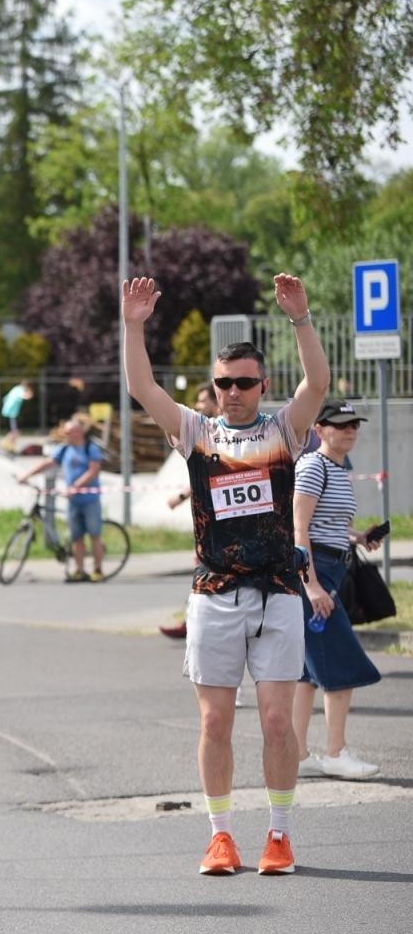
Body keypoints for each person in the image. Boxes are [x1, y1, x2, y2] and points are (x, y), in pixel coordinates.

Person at [123, 274, 328, 876]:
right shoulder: (196, 432)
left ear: (262, 386)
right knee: (215, 721)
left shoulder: (283, 431)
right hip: (214, 593)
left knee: (276, 721)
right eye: (223, 383)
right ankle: (220, 836)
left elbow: (318, 384)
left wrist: (301, 319)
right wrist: (133, 326)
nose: (233, 392)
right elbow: (141, 387)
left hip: (278, 593)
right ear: (212, 388)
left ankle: (279, 834)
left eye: (243, 383)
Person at [293, 399, 382, 780]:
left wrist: (358, 536)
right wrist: (311, 584)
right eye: (340, 425)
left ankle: (297, 755)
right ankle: (335, 753)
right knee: (340, 663)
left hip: (330, 570)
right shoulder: (314, 466)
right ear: (319, 430)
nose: (349, 431)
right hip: (315, 573)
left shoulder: (338, 468)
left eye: (354, 425)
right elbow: (298, 528)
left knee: (307, 672)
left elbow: (325, 523)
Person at [160, 384, 218, 639]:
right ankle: (193, 618)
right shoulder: (202, 431)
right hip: (207, 518)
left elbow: (208, 477)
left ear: (216, 402)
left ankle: (194, 621)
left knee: (208, 569)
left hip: (220, 521)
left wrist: (182, 496)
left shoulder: (218, 434)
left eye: (203, 400)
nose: (199, 405)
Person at [17, 417, 106, 581]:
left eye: (68, 432)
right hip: (73, 501)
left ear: (78, 433)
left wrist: (76, 486)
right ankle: (79, 570)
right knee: (76, 537)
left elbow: (93, 471)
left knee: (95, 536)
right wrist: (27, 475)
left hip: (90, 500)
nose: (65, 435)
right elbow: (48, 463)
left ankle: (98, 570)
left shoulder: (90, 448)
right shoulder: (64, 449)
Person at [1, 381, 34, 453]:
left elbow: (5, 398)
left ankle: (9, 445)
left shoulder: (15, 388)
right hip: (11, 413)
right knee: (15, 432)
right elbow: (25, 396)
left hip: (7, 412)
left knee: (13, 431)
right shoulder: (20, 390)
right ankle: (8, 445)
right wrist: (30, 394)